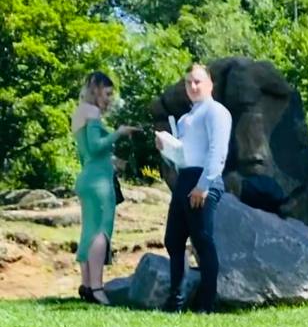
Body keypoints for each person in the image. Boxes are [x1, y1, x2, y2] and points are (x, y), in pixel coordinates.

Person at [153, 63, 232, 313]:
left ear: (210, 84)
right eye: (188, 82)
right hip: (185, 178)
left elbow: (217, 151)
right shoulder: (187, 118)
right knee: (173, 240)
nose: (193, 86)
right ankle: (175, 300)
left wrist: (204, 185)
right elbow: (184, 157)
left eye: (198, 81)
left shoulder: (216, 111)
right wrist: (166, 149)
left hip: (204, 180)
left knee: (202, 240)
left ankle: (206, 304)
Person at [71, 73, 137, 305]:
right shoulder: (93, 112)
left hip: (87, 177)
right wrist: (118, 133)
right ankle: (98, 288)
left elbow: (86, 153)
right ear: (97, 90)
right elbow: (97, 146)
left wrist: (113, 160)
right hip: (99, 182)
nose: (109, 99)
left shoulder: (79, 112)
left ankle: (87, 286)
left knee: (88, 231)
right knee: (101, 231)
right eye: (107, 93)